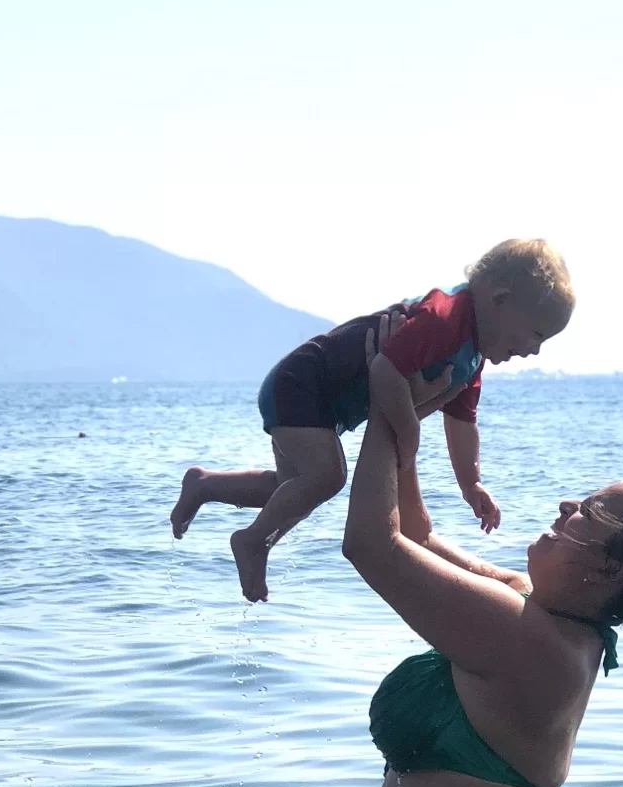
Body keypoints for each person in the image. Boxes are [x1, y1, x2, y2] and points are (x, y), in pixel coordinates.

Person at [341, 398, 623, 787]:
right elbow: (415, 538)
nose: (566, 503)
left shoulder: (528, 639)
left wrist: (382, 404)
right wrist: (406, 412)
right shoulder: (534, 609)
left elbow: (371, 544)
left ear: (609, 570)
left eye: (589, 513)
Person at [168, 238, 575, 603]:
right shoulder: (444, 317)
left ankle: (206, 485)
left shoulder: (472, 355)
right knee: (327, 477)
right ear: (500, 300)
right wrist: (408, 430)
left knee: (292, 487)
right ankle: (255, 540)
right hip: (303, 383)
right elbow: (385, 371)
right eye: (536, 334)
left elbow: (462, 420)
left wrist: (471, 483)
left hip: (321, 400)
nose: (535, 351)